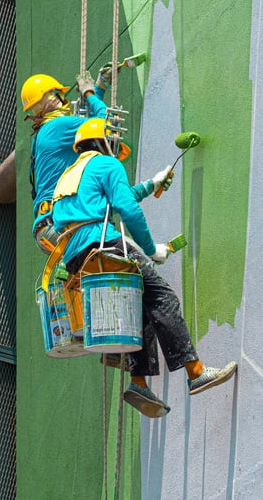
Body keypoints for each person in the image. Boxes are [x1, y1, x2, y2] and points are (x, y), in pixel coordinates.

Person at [50, 118, 238, 418]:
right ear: (104, 142)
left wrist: (152, 184)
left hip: (76, 258)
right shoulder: (107, 165)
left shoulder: (72, 175)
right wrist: (151, 250)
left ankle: (138, 381)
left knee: (137, 307)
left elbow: (109, 201)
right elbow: (126, 208)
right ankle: (195, 371)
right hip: (103, 246)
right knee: (163, 298)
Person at [22, 72, 172, 255]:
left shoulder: (43, 135)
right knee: (132, 257)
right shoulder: (59, 126)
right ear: (54, 96)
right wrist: (90, 93)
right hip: (61, 224)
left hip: (50, 229)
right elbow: (104, 125)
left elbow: (112, 201)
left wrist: (151, 185)